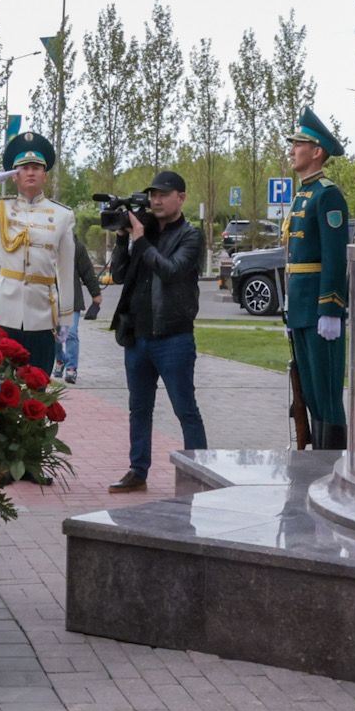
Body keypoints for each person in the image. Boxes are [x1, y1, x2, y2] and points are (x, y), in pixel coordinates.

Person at [106, 171, 208, 492]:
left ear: (181, 197)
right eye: (153, 195)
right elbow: (119, 275)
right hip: (137, 336)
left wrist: (140, 240)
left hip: (173, 337)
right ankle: (138, 470)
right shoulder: (143, 232)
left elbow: (172, 271)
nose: (156, 200)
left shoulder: (191, 235)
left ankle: (198, 471)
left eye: (164, 194)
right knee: (139, 408)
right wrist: (124, 238)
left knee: (185, 409)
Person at [0, 133, 82, 397]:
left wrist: (66, 318)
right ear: (13, 175)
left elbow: (66, 271)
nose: (30, 172)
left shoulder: (63, 215)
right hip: (3, 312)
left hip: (42, 315)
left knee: (37, 390)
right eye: (24, 168)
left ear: (45, 175)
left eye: (36, 168)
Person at [281, 113, 352, 447]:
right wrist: (291, 310)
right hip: (302, 310)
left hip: (320, 312)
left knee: (326, 392)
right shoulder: (303, 195)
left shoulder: (328, 196)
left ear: (317, 151)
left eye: (299, 144)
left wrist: (331, 308)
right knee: (308, 391)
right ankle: (317, 461)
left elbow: (335, 256)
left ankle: (333, 460)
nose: (293, 149)